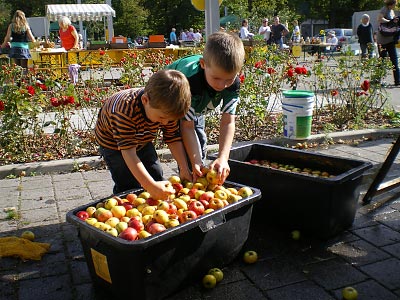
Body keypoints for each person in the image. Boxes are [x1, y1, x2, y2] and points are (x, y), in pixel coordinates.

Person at [95, 69, 192, 199]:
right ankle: (122, 202)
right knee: (127, 183)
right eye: (162, 118)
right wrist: (150, 186)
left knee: (156, 174)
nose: (166, 122)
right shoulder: (124, 110)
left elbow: (173, 138)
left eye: (170, 119)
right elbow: (128, 152)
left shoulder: (166, 109)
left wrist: (184, 168)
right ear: (145, 100)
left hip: (143, 139)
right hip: (114, 145)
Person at [166, 31, 246, 184]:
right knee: (188, 156)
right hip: (172, 101)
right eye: (216, 78)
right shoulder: (189, 83)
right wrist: (194, 162)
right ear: (203, 65)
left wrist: (223, 157)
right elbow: (186, 127)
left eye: (229, 79)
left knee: (200, 142)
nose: (222, 86)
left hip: (197, 103)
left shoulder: (232, 83)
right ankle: (186, 178)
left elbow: (228, 122)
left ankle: (194, 175)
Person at [377, 0, 400, 86]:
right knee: (382, 61)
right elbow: (379, 19)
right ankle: (377, 79)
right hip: (383, 40)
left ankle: (397, 81)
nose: (395, 6)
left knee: (394, 60)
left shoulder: (392, 11)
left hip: (391, 39)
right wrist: (389, 21)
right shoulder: (384, 9)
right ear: (391, 4)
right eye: (394, 4)